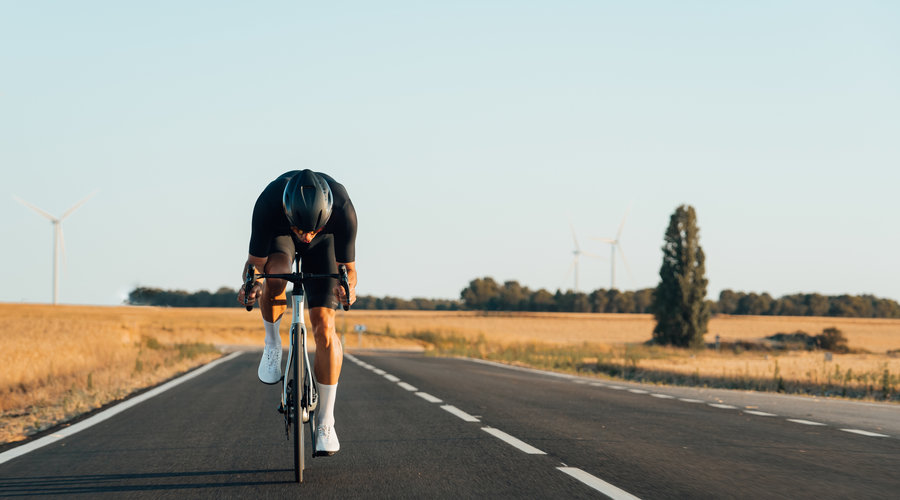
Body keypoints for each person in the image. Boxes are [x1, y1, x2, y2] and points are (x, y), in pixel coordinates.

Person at [237, 169, 357, 456]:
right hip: (281, 239)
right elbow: (254, 264)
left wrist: (348, 289)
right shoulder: (268, 203)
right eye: (301, 229)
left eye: (311, 229)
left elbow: (350, 271)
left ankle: (326, 421)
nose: (306, 236)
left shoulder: (342, 208)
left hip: (326, 246)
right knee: (275, 276)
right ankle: (272, 343)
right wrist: (250, 284)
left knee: (325, 328)